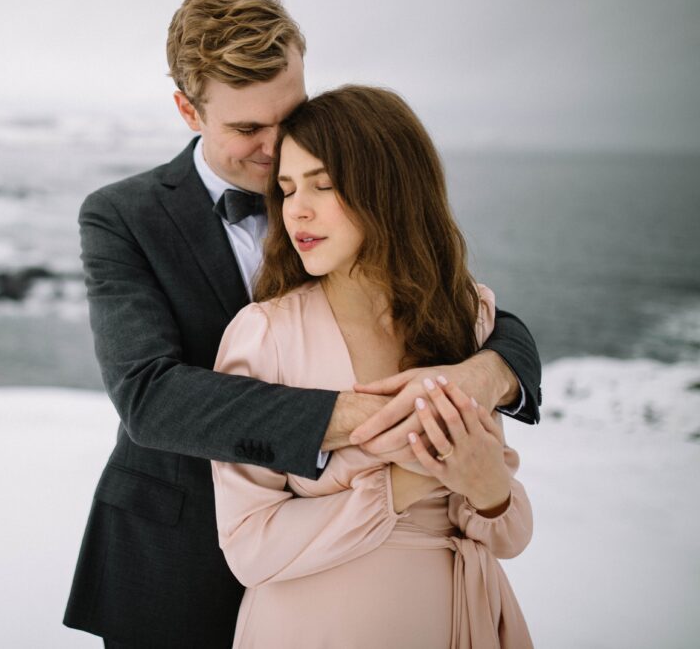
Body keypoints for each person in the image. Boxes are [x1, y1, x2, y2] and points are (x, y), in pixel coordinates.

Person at [64, 0, 541, 648]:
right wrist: (371, 419)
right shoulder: (122, 216)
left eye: (288, 115)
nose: (274, 146)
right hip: (179, 554)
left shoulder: (344, 193)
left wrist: (492, 371)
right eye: (246, 129)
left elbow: (462, 308)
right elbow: (148, 394)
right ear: (187, 110)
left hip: (355, 581)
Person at [212, 85, 533, 648]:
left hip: (459, 623)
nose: (297, 210)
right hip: (310, 629)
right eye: (287, 189)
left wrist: (489, 489)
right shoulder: (264, 335)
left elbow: (510, 535)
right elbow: (248, 547)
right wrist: (402, 483)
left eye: (324, 185)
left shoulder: (468, 316)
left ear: (389, 190)